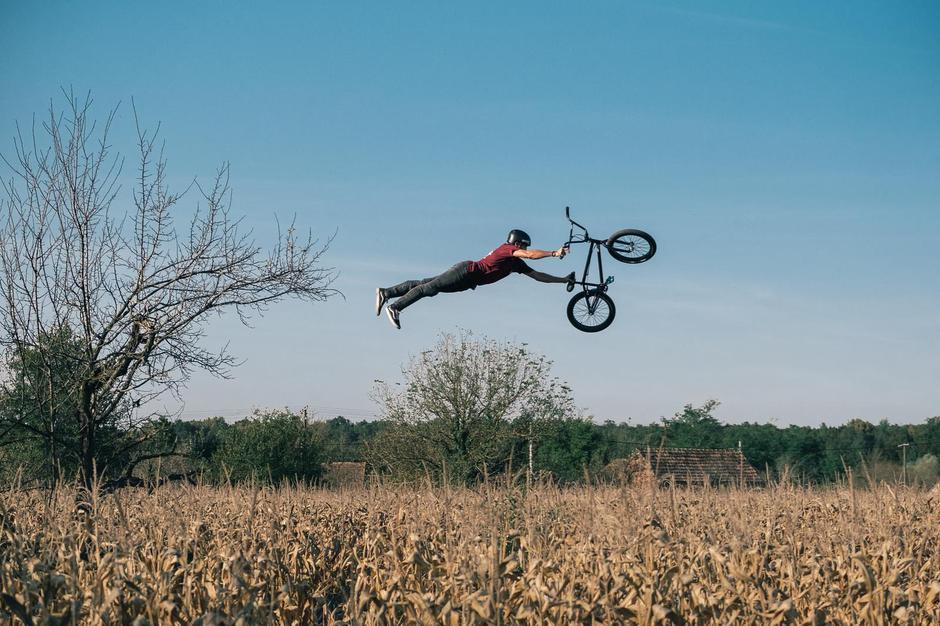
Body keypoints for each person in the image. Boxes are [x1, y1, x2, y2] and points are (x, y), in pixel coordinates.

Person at [376, 229, 574, 329]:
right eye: (524, 246)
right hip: (465, 271)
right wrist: (554, 253)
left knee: (422, 284)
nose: (525, 250)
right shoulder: (507, 249)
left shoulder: (515, 264)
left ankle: (386, 293)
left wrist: (563, 280)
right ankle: (395, 307)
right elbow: (531, 255)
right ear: (518, 244)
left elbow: (539, 276)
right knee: (429, 289)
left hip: (468, 281)